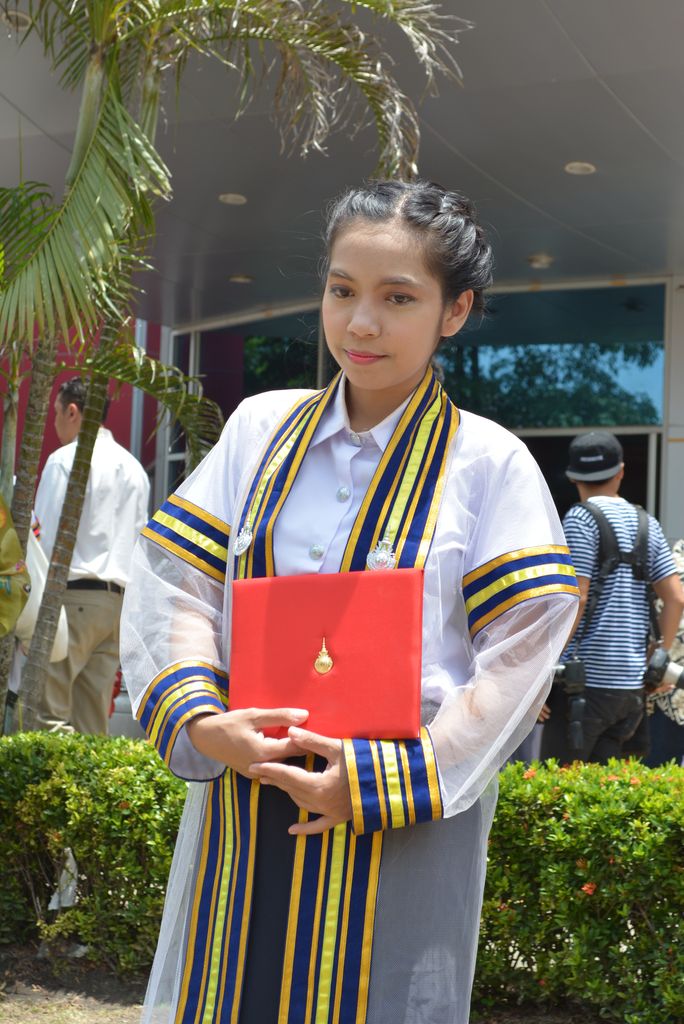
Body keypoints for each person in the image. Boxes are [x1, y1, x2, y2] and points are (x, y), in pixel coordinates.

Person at [120, 180, 579, 1024]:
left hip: (400, 811)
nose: (361, 324)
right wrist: (201, 719)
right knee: (231, 990)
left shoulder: (488, 463)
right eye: (342, 291)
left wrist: (382, 782)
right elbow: (180, 581)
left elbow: (521, 652)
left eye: (398, 298)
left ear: (454, 310)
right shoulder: (260, 429)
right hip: (247, 791)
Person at [540, 431, 684, 764]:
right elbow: (675, 597)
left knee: (562, 786)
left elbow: (576, 598)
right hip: (631, 691)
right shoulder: (647, 523)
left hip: (581, 685)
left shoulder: (580, 519)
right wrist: (658, 661)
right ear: (620, 472)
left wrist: (543, 671)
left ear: (573, 476)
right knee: (610, 787)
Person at [33, 377, 150, 734]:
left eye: (56, 413)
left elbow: (44, 540)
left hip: (70, 599)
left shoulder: (63, 460)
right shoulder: (134, 468)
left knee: (48, 718)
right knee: (92, 724)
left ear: (72, 411)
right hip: (114, 607)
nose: (54, 423)